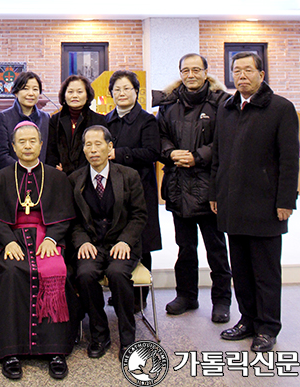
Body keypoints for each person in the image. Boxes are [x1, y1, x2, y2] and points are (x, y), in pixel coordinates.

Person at [210, 52, 299, 352]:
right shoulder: (227, 107)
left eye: (248, 70)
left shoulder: (281, 108)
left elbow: (290, 161)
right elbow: (218, 157)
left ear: (262, 74)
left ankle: (267, 327)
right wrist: (215, 194)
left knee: (266, 272)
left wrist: (286, 200)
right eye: (237, 71)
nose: (242, 76)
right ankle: (247, 319)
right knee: (242, 269)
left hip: (266, 205)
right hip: (232, 203)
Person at [0, 121, 78, 380]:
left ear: (40, 144)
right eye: (21, 142)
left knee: (56, 270)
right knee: (12, 272)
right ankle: (10, 351)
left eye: (32, 141)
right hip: (12, 239)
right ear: (13, 147)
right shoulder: (2, 176)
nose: (27, 146)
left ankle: (56, 350)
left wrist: (52, 239)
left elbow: (65, 217)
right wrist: (7, 242)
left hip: (46, 238)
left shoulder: (56, 176)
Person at [153, 53, 232, 323]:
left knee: (216, 248)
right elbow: (160, 135)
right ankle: (186, 295)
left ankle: (221, 300)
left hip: (210, 188)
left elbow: (225, 141)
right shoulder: (169, 103)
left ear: (206, 72)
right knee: (185, 247)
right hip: (177, 185)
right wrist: (171, 152)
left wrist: (197, 156)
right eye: (185, 70)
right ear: (180, 73)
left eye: (196, 69)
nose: (191, 75)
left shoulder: (221, 103)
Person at [69, 125, 147, 361]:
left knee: (117, 274)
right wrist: (81, 241)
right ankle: (99, 334)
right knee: (85, 274)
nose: (93, 150)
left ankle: (127, 338)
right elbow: (72, 220)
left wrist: (125, 241)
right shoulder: (74, 179)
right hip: (92, 244)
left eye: (98, 144)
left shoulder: (129, 175)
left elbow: (139, 215)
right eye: (88, 145)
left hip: (121, 244)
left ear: (110, 147)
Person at [105, 70, 161, 311]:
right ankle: (119, 291)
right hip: (112, 191)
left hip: (140, 188)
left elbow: (152, 153)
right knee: (116, 239)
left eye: (127, 88)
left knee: (141, 242)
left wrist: (119, 153)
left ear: (136, 91)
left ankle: (139, 298)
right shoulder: (106, 120)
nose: (122, 93)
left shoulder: (147, 120)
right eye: (117, 89)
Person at [46, 74, 106, 175]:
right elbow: (51, 151)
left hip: (89, 176)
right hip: (61, 177)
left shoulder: (99, 121)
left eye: (79, 92)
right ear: (64, 95)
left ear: (87, 95)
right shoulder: (55, 120)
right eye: (70, 92)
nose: (74, 96)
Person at [0, 71, 49, 169]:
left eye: (35, 89)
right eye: (25, 89)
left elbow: (49, 151)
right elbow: (0, 154)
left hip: (40, 176)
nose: (31, 93)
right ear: (16, 92)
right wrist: (24, 170)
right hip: (10, 175)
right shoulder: (3, 117)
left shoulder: (45, 118)